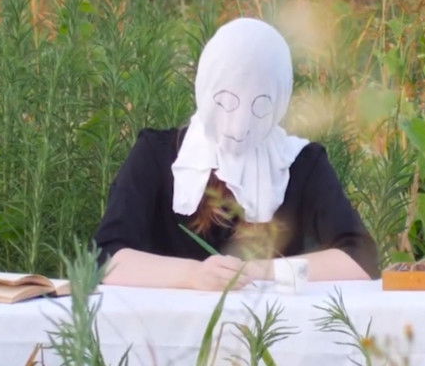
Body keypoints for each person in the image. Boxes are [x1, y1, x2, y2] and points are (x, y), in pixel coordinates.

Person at [94, 17, 379, 290]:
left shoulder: (299, 163)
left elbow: (360, 259)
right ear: (206, 87)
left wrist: (254, 272)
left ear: (280, 101)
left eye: (261, 106)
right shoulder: (156, 155)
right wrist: (194, 276)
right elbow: (105, 257)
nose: (239, 126)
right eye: (226, 102)